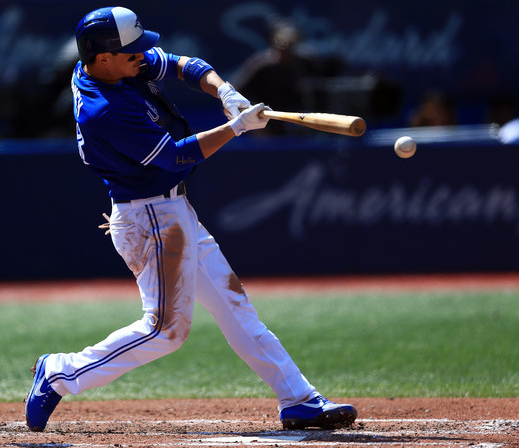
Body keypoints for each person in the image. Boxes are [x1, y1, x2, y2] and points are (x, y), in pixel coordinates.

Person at [25, 6, 357, 432]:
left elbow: (187, 65)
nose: (142, 57)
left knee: (235, 306)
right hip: (149, 221)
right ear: (103, 57)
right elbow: (174, 155)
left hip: (171, 211)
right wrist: (236, 128)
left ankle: (299, 399)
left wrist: (225, 91)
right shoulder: (102, 108)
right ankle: (59, 373)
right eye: (131, 53)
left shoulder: (114, 65)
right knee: (165, 331)